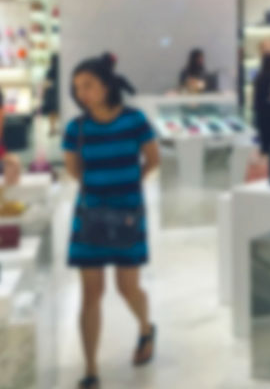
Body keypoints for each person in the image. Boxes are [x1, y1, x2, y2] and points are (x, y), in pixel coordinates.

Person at [63, 55, 161, 389]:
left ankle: (146, 329)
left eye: (88, 85)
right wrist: (101, 189)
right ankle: (91, 370)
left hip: (128, 214)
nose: (82, 93)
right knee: (91, 293)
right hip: (89, 215)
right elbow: (73, 170)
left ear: (106, 85)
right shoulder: (76, 128)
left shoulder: (134, 120)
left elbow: (153, 159)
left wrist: (128, 185)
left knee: (127, 287)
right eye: (77, 88)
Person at [41, 53, 60, 135]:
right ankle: (58, 128)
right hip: (58, 93)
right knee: (58, 111)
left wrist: (44, 93)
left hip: (51, 93)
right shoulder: (61, 69)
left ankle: (52, 129)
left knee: (51, 112)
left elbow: (47, 83)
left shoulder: (50, 70)